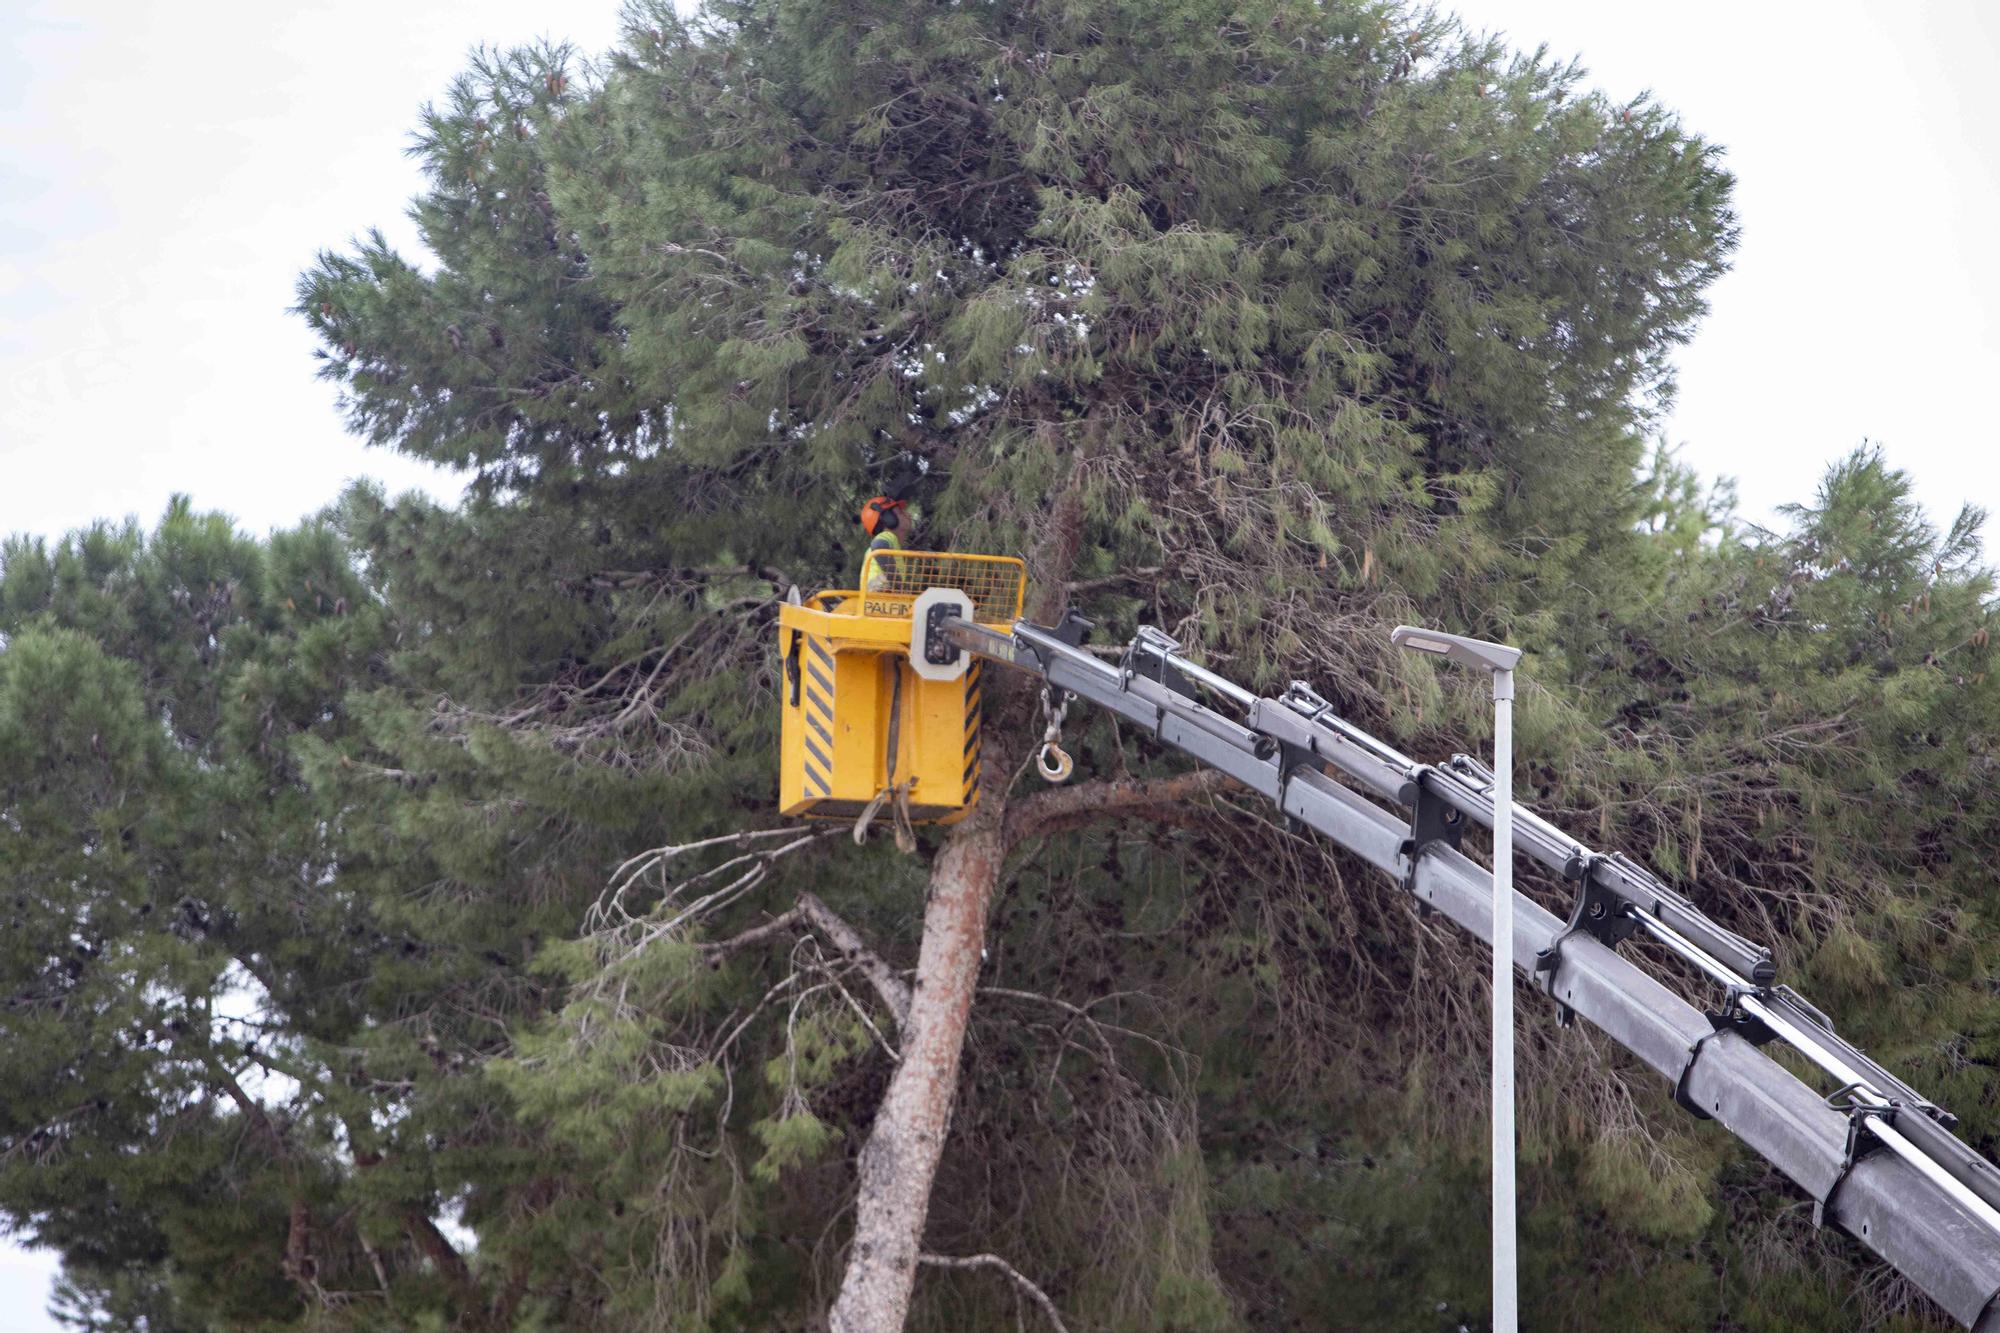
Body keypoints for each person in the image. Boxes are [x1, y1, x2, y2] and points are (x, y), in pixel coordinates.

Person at [860, 495, 908, 591]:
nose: (907, 515)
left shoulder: (892, 543)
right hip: (877, 589)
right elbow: (878, 546)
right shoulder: (887, 536)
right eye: (900, 513)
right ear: (890, 519)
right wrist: (897, 583)